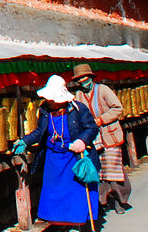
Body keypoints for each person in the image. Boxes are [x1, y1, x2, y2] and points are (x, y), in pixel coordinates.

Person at [14, 75, 101, 231]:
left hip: (73, 157)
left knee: (77, 192)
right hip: (54, 158)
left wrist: (82, 141)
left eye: (53, 99)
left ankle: (81, 223)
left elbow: (92, 128)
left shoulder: (78, 109)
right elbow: (40, 131)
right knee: (55, 193)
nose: (50, 101)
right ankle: (61, 223)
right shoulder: (44, 110)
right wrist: (25, 140)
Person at [70, 64, 131, 216]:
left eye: (84, 78)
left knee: (113, 170)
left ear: (90, 77)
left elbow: (117, 108)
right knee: (99, 171)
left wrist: (101, 120)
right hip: (93, 139)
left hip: (109, 135)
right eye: (79, 79)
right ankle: (103, 200)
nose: (82, 81)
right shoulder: (78, 95)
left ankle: (118, 199)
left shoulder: (103, 90)